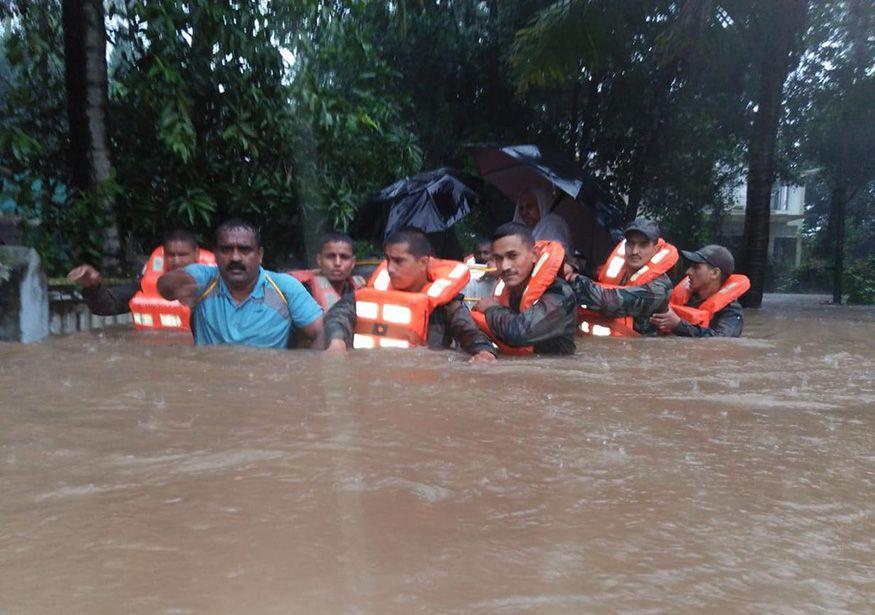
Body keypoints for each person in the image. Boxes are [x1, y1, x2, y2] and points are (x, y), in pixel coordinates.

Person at [324, 228, 496, 362]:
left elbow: (470, 333)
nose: (390, 268)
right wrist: (336, 341)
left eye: (399, 261)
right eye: (388, 259)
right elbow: (338, 315)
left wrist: (485, 353)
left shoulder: (447, 305)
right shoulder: (371, 293)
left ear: (423, 263)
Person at [157, 219, 323, 349]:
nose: (235, 257)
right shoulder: (205, 279)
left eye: (244, 250)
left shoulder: (285, 288)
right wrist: (175, 284)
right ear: (215, 254)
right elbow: (168, 286)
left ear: (259, 255)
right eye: (226, 250)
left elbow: (323, 332)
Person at [66, 229, 213, 331]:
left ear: (196, 254)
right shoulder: (146, 285)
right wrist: (93, 286)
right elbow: (105, 308)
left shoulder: (218, 287)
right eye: (170, 255)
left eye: (182, 255)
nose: (176, 260)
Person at [471, 222, 577, 355]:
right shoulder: (508, 291)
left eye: (512, 256)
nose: (505, 266)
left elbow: (519, 333)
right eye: (498, 258)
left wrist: (491, 308)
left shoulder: (559, 294)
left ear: (534, 255)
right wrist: (485, 351)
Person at [567, 218, 678, 336]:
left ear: (655, 249)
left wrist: (574, 279)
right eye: (630, 243)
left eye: (643, 245)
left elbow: (609, 302)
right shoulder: (620, 271)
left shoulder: (659, 288)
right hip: (608, 345)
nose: (634, 251)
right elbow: (591, 275)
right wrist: (570, 267)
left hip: (638, 350)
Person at [650, 244, 748, 337]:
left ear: (714, 273)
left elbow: (721, 340)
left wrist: (678, 325)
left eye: (696, 267)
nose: (688, 272)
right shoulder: (683, 298)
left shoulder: (731, 313)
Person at [290, 232, 365, 311]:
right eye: (330, 256)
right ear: (319, 260)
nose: (337, 263)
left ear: (353, 262)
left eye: (344, 257)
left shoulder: (361, 288)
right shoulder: (301, 290)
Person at [513, 187, 573, 255]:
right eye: (521, 208)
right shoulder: (526, 234)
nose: (524, 212)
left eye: (529, 207)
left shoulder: (551, 224)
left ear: (541, 204)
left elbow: (558, 255)